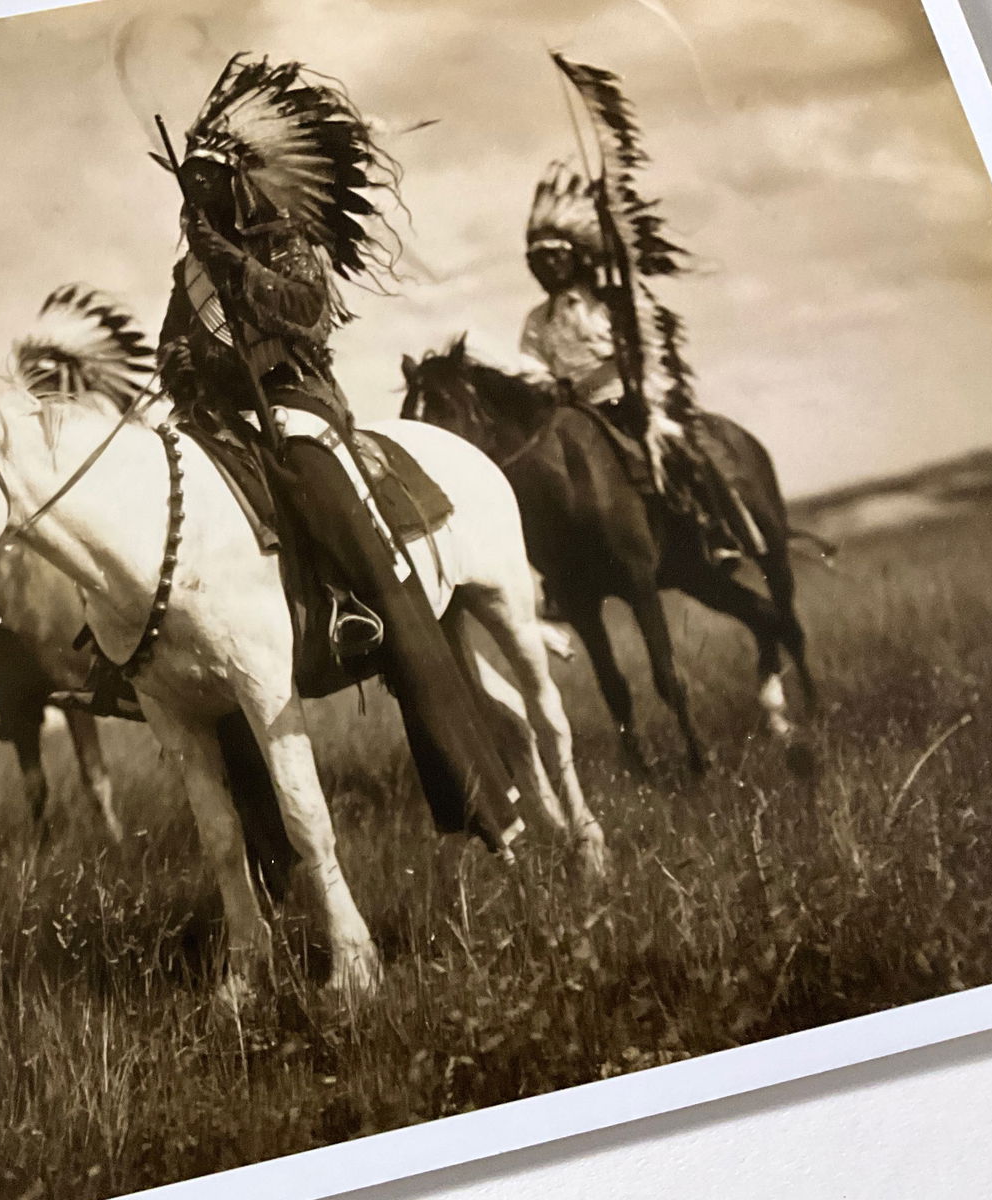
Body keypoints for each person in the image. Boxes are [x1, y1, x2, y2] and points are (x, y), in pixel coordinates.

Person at [150, 54, 525, 852]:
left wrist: (225, 256)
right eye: (191, 183)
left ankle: (373, 613)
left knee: (312, 474)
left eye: (210, 179)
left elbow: (304, 315)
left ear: (240, 182)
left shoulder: (285, 244)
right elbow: (171, 351)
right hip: (221, 421)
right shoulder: (189, 271)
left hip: (298, 409)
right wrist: (187, 372)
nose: (198, 195)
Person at [518, 153, 761, 567]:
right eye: (538, 262)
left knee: (679, 451)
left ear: (573, 258)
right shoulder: (538, 319)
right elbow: (531, 362)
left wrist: (626, 358)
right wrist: (546, 383)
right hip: (575, 413)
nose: (547, 267)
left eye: (554, 258)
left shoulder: (612, 301)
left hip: (629, 401)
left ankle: (717, 531)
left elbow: (648, 344)